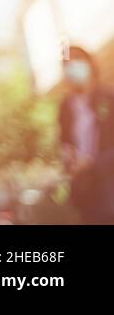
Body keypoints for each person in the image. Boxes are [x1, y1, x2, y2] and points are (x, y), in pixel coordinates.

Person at [58, 46, 114, 223]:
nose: (72, 67)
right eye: (66, 64)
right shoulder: (65, 107)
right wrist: (69, 158)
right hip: (85, 192)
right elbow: (64, 141)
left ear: (89, 63)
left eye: (76, 60)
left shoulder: (109, 98)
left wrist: (92, 163)